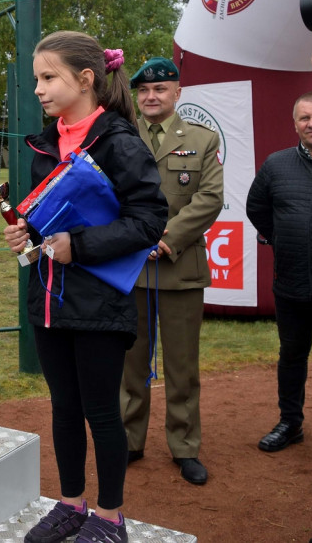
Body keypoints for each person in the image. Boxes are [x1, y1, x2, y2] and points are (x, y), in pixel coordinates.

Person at [4, 31, 167, 543]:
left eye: (48, 77)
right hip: (49, 301)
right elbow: (46, 220)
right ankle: (72, 505)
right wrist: (26, 233)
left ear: (85, 79)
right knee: (64, 408)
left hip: (99, 304)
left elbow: (149, 220)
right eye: (36, 78)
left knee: (101, 412)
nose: (38, 89)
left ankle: (111, 518)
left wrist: (80, 245)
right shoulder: (45, 144)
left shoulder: (119, 142)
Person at [120, 56, 224, 486]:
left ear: (177, 93)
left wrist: (169, 238)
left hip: (179, 267)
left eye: (160, 89)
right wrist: (131, 235)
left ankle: (184, 446)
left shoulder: (202, 139)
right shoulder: (121, 135)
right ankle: (129, 440)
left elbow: (210, 197)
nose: (150, 96)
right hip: (130, 267)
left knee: (182, 367)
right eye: (143, 90)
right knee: (130, 363)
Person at [246, 91, 312, 461]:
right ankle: (290, 423)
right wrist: (283, 238)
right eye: (305, 118)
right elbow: (256, 207)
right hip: (291, 280)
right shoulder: (276, 164)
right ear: (295, 124)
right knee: (291, 355)